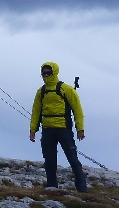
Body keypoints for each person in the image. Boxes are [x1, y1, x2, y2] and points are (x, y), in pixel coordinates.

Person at [29, 61, 87, 192]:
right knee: (49, 160)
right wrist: (33, 129)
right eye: (44, 73)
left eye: (48, 72)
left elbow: (77, 110)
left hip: (64, 129)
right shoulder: (41, 91)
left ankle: (82, 188)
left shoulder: (66, 89)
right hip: (47, 129)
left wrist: (80, 129)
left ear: (54, 72)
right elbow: (36, 111)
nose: (46, 75)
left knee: (72, 158)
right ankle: (51, 186)